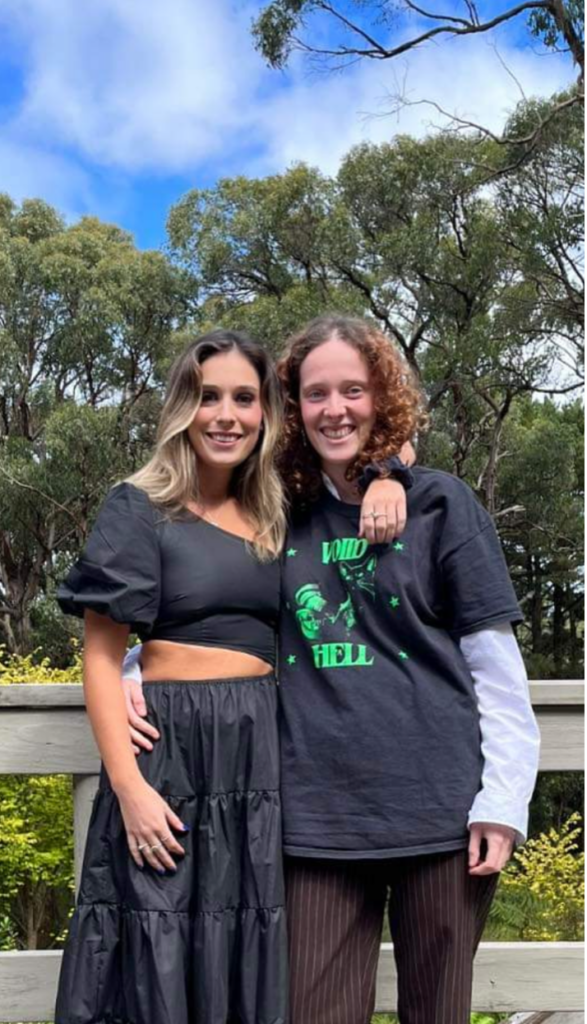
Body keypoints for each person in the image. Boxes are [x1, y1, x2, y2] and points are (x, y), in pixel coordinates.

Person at [123, 316, 541, 1024]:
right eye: (315, 393)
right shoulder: (277, 513)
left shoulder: (441, 505)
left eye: (353, 389)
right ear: (292, 407)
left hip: (440, 817)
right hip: (313, 821)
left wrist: (502, 805)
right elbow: (219, 609)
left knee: (437, 1013)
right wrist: (141, 669)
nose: (335, 408)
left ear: (382, 399)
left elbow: (496, 673)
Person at [55, 326, 406, 1024]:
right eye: (207, 396)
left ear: (266, 413)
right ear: (183, 407)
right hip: (169, 757)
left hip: (258, 756)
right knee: (156, 941)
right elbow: (99, 655)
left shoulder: (280, 503)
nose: (226, 415)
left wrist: (388, 475)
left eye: (244, 398)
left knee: (245, 939)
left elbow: (365, 437)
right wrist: (126, 788)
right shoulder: (138, 506)